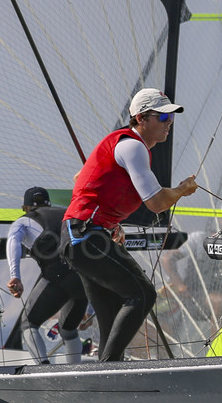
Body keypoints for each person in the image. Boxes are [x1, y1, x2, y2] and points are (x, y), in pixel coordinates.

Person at [61, 88, 197, 362]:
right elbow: (157, 203)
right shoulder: (132, 146)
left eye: (171, 117)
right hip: (85, 237)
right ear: (141, 118)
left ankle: (108, 375)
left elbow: (81, 178)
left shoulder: (124, 146)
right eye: (162, 117)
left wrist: (110, 223)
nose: (169, 123)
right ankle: (109, 371)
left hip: (82, 235)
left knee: (111, 315)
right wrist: (181, 190)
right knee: (143, 294)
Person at [4, 186, 89, 364]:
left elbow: (13, 241)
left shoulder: (23, 221)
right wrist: (91, 307)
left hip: (58, 275)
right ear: (49, 203)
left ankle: (44, 370)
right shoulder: (68, 213)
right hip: (85, 279)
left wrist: (15, 276)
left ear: (24, 208)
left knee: (28, 323)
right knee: (68, 329)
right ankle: (78, 373)